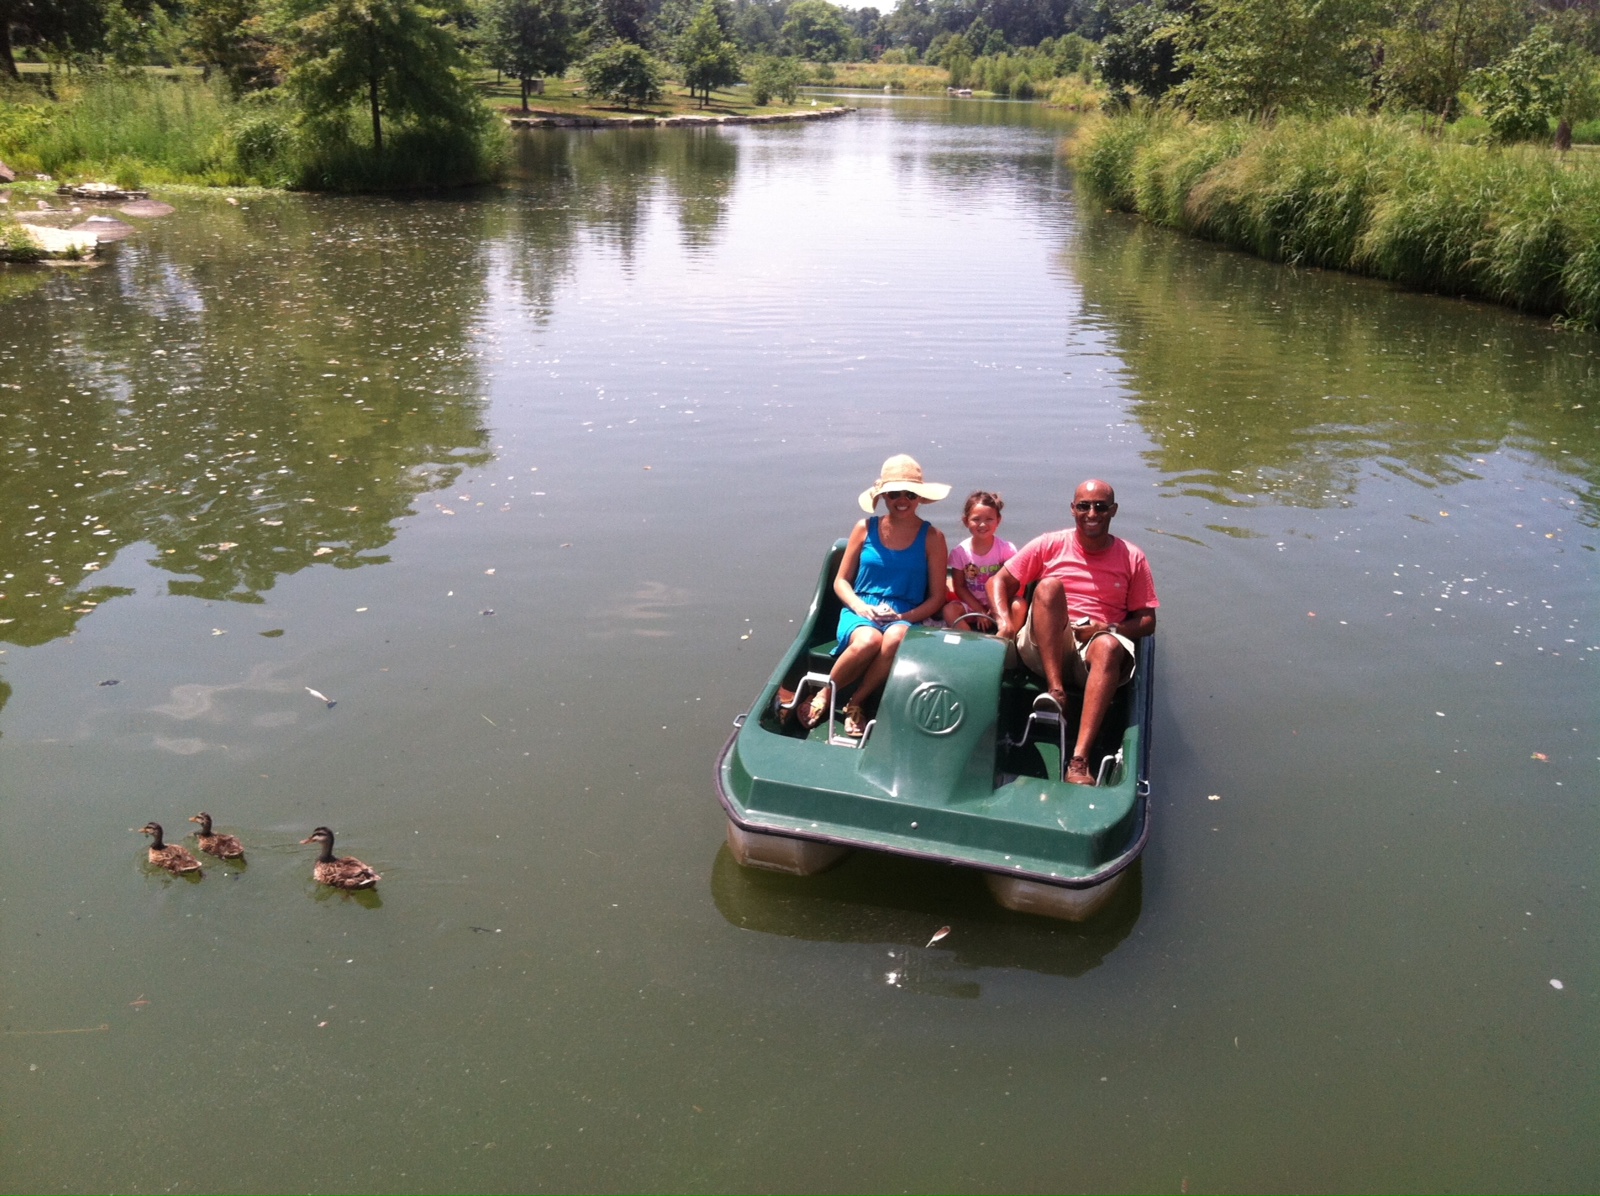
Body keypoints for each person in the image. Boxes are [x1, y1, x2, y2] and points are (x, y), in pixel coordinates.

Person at [989, 479, 1158, 786]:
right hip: (1044, 646)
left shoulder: (1132, 556)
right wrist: (1004, 622)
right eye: (1084, 506)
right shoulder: (1049, 543)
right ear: (1073, 509)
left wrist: (1107, 628)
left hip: (1094, 648)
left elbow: (1147, 621)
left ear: (1113, 511)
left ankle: (1079, 761)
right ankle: (1057, 693)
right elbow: (998, 582)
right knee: (1049, 587)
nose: (1091, 513)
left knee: (1108, 646)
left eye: (1100, 507)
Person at [803, 455, 950, 737]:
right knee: (870, 639)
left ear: (919, 497)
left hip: (905, 614)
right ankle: (824, 693)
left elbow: (936, 599)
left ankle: (856, 701)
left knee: (894, 637)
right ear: (883, 496)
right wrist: (860, 607)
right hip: (861, 609)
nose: (902, 500)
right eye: (895, 494)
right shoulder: (864, 528)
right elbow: (841, 582)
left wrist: (903, 616)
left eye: (910, 493)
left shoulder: (933, 538)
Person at [941, 490, 1022, 633]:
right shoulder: (960, 553)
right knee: (949, 610)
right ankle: (970, 640)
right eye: (976, 519)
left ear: (998, 520)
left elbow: (1013, 583)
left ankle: (1008, 641)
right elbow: (959, 587)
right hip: (972, 604)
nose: (983, 524)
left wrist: (995, 609)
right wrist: (980, 611)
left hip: (999, 603)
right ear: (966, 521)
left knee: (1019, 606)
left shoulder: (1006, 549)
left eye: (989, 519)